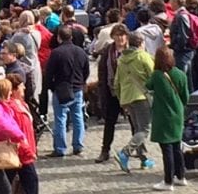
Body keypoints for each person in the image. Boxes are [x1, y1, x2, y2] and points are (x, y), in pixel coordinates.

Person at [145, 47, 189, 192]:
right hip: (177, 114)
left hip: (163, 116)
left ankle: (168, 180)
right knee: (177, 147)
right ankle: (181, 176)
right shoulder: (181, 74)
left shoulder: (157, 76)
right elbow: (186, 97)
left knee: (167, 149)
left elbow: (148, 86)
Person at [112, 31, 155, 172]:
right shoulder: (143, 56)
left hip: (127, 97)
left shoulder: (121, 59)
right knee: (144, 129)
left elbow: (117, 82)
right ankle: (125, 153)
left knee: (137, 129)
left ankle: (144, 159)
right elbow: (153, 76)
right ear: (141, 43)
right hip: (141, 97)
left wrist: (121, 100)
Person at [44, 24, 88, 158]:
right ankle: (78, 145)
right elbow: (86, 70)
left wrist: (51, 86)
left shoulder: (56, 53)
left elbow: (49, 72)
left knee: (60, 119)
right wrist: (81, 82)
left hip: (61, 88)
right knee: (78, 117)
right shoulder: (81, 51)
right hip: (77, 87)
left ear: (59, 38)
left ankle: (60, 147)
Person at [94, 23, 129, 163]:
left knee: (135, 124)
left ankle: (139, 152)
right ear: (113, 36)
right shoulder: (108, 50)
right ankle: (105, 150)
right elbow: (102, 69)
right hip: (111, 91)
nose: (120, 38)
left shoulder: (131, 50)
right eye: (117, 35)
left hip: (128, 92)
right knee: (110, 122)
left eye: (122, 35)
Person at [4, 72, 40, 194]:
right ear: (14, 90)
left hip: (25, 150)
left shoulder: (22, 104)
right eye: (21, 86)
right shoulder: (12, 108)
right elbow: (16, 132)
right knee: (31, 182)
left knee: (7, 183)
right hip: (20, 152)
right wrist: (27, 150)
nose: (24, 88)